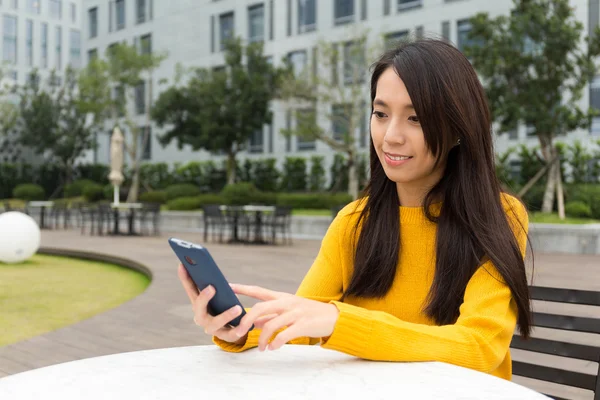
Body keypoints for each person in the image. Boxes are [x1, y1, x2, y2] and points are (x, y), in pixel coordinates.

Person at [177, 38, 532, 381]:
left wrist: (339, 321)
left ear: (458, 128)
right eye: (380, 113)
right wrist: (237, 329)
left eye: (416, 118)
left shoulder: (499, 215)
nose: (391, 135)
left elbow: (480, 347)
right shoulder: (353, 222)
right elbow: (303, 323)